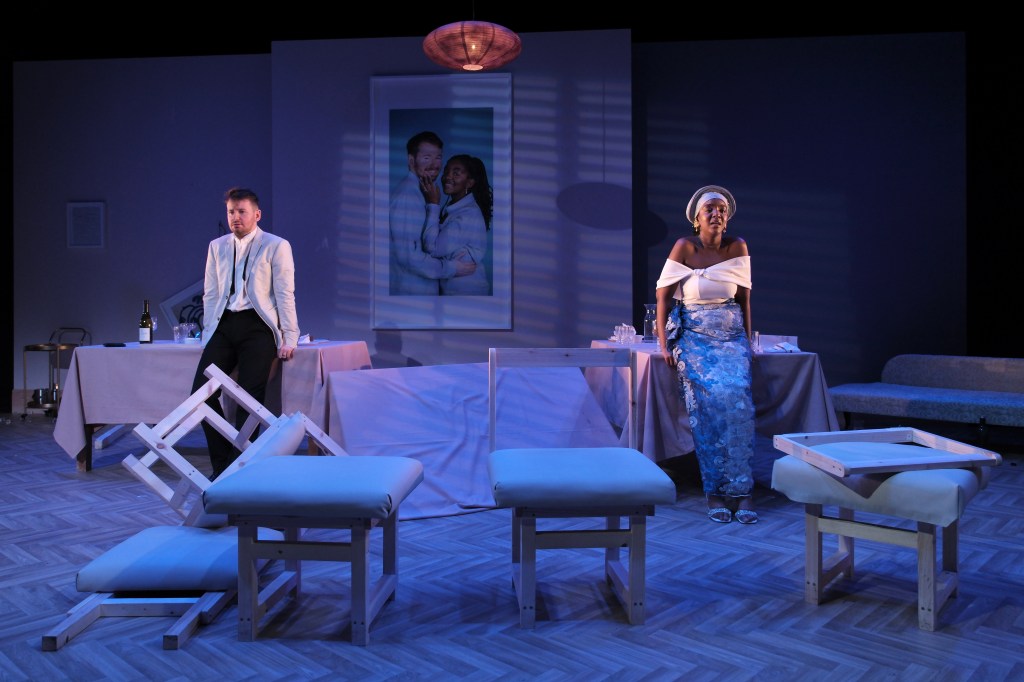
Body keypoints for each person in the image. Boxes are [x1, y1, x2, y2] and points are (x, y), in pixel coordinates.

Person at [655, 185, 757, 524]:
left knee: (738, 401)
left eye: (721, 209)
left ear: (727, 218)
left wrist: (747, 343)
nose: (716, 213)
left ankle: (742, 490)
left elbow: (744, 300)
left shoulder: (737, 246)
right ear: (696, 218)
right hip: (695, 338)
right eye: (709, 209)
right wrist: (664, 344)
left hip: (731, 337)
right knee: (709, 405)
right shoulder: (685, 247)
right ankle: (714, 491)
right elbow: (662, 297)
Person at [191, 187, 299, 478]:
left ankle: (239, 470)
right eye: (231, 212)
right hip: (225, 324)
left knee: (250, 399)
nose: (235, 217)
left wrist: (290, 336)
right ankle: (223, 465)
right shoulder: (217, 246)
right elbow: (211, 294)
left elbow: (284, 293)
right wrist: (208, 333)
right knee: (200, 394)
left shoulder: (276, 245)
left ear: (257, 214)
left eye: (241, 211)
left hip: (258, 326)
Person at [389, 131, 475, 294]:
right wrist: (452, 268)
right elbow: (409, 257)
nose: (435, 165)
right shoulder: (408, 196)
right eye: (427, 157)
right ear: (411, 160)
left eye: (438, 157)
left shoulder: (422, 192)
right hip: (412, 295)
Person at [420, 154, 492, 295]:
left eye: (456, 173)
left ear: (469, 183)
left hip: (468, 293)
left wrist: (433, 204)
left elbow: (432, 249)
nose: (447, 176)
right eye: (446, 171)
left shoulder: (467, 215)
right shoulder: (455, 208)